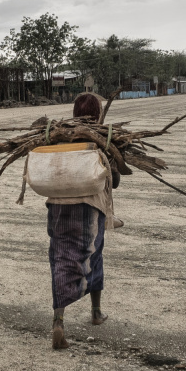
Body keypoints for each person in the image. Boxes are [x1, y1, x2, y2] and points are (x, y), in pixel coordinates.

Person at [45, 93, 121, 350]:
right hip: (90, 210)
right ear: (98, 112)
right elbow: (116, 180)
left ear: (74, 111)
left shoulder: (57, 136)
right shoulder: (101, 139)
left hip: (57, 207)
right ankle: (96, 313)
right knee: (93, 257)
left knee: (61, 259)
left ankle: (58, 321)